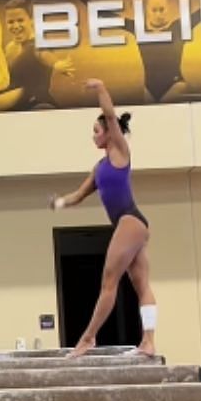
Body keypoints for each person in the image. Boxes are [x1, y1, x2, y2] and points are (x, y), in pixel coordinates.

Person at [50, 80, 156, 359]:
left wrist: (100, 89)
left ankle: (87, 338)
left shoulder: (120, 153)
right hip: (134, 225)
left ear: (110, 133)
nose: (93, 136)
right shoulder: (99, 168)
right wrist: (59, 203)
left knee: (109, 281)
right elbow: (78, 195)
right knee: (141, 285)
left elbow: (110, 113)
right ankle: (148, 343)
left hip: (130, 220)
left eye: (96, 131)